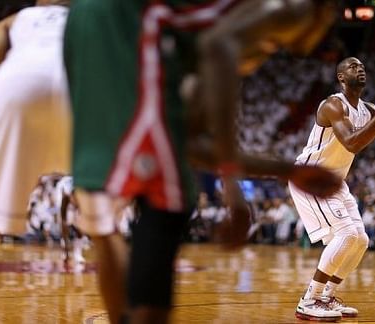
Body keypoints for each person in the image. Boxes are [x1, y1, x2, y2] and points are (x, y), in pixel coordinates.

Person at [63, 0, 341, 323]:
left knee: (170, 196)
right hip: (120, 17)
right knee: (172, 196)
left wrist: (286, 171)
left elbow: (191, 147)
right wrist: (234, 194)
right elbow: (219, 45)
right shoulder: (292, 8)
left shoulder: (184, 56)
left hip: (95, 25)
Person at [288, 57, 375, 321]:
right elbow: (352, 144)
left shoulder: (367, 109)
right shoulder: (332, 105)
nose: (359, 69)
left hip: (334, 182)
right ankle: (309, 299)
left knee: (360, 240)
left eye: (362, 66)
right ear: (340, 77)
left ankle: (327, 297)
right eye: (352, 66)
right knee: (346, 234)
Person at [0, 0, 70, 294]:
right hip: (80, 85)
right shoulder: (97, 17)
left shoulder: (21, 19)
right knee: (106, 232)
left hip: (18, 86)